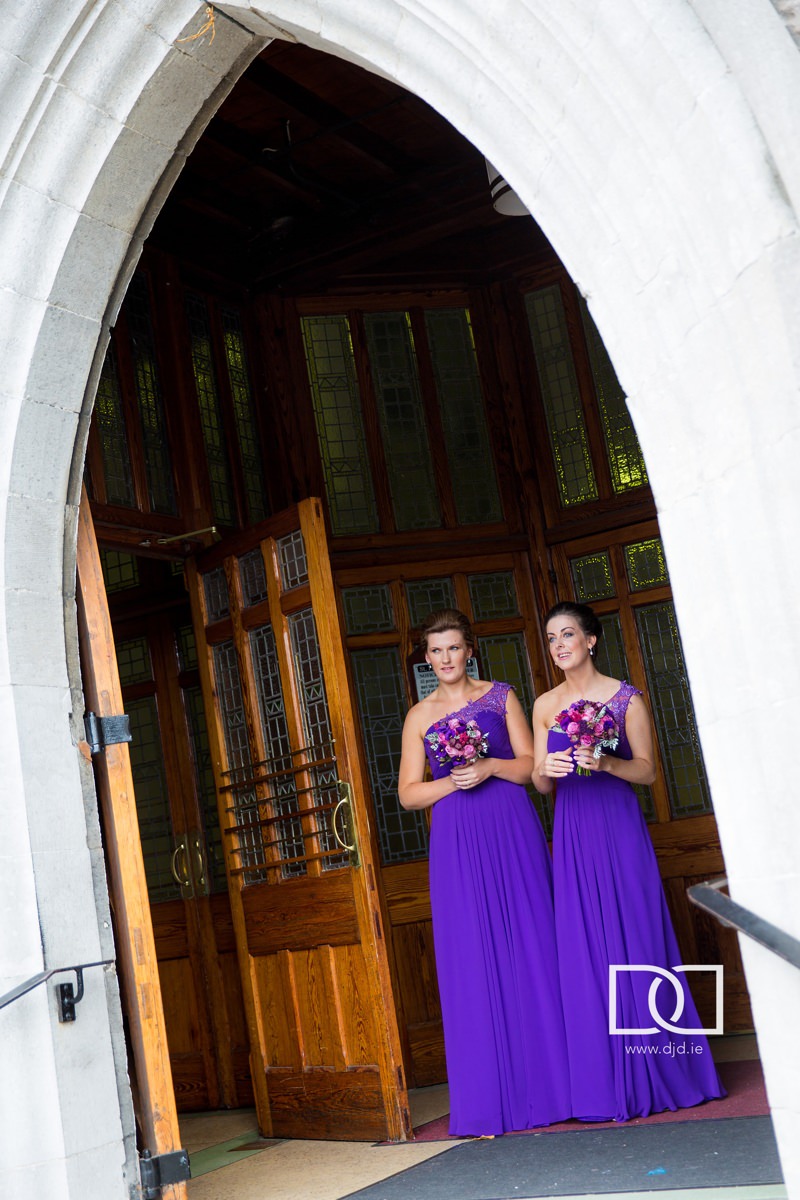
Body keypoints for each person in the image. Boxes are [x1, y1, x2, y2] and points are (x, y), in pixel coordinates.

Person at [532, 600, 725, 1122]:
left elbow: (648, 773)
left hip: (619, 831)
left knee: (636, 938)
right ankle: (600, 1082)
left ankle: (663, 1068)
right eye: (552, 639)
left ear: (591, 639)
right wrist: (545, 766)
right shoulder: (544, 705)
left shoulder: (626, 698)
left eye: (568, 634)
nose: (560, 646)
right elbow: (541, 782)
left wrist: (607, 762)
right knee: (585, 948)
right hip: (572, 835)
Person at [399, 609, 570, 1137]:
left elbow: (530, 765)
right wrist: (455, 781)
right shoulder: (418, 716)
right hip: (455, 839)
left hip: (510, 828)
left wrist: (490, 767)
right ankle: (489, 1098)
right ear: (425, 658)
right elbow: (408, 795)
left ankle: (557, 1088)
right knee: (471, 957)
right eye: (436, 651)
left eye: (454, 648)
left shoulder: (501, 695)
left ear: (469, 649)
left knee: (533, 944)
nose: (446, 659)